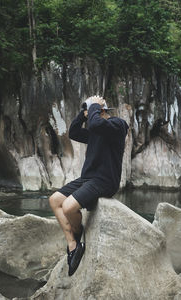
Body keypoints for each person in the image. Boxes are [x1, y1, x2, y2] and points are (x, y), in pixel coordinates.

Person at [49, 96, 129, 276]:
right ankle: (73, 243)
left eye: (93, 110)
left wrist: (94, 107)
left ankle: (77, 231)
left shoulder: (118, 125)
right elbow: (74, 132)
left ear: (101, 110)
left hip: (105, 181)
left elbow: (96, 125)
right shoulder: (96, 129)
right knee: (55, 200)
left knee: (68, 207)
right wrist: (83, 114)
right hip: (88, 178)